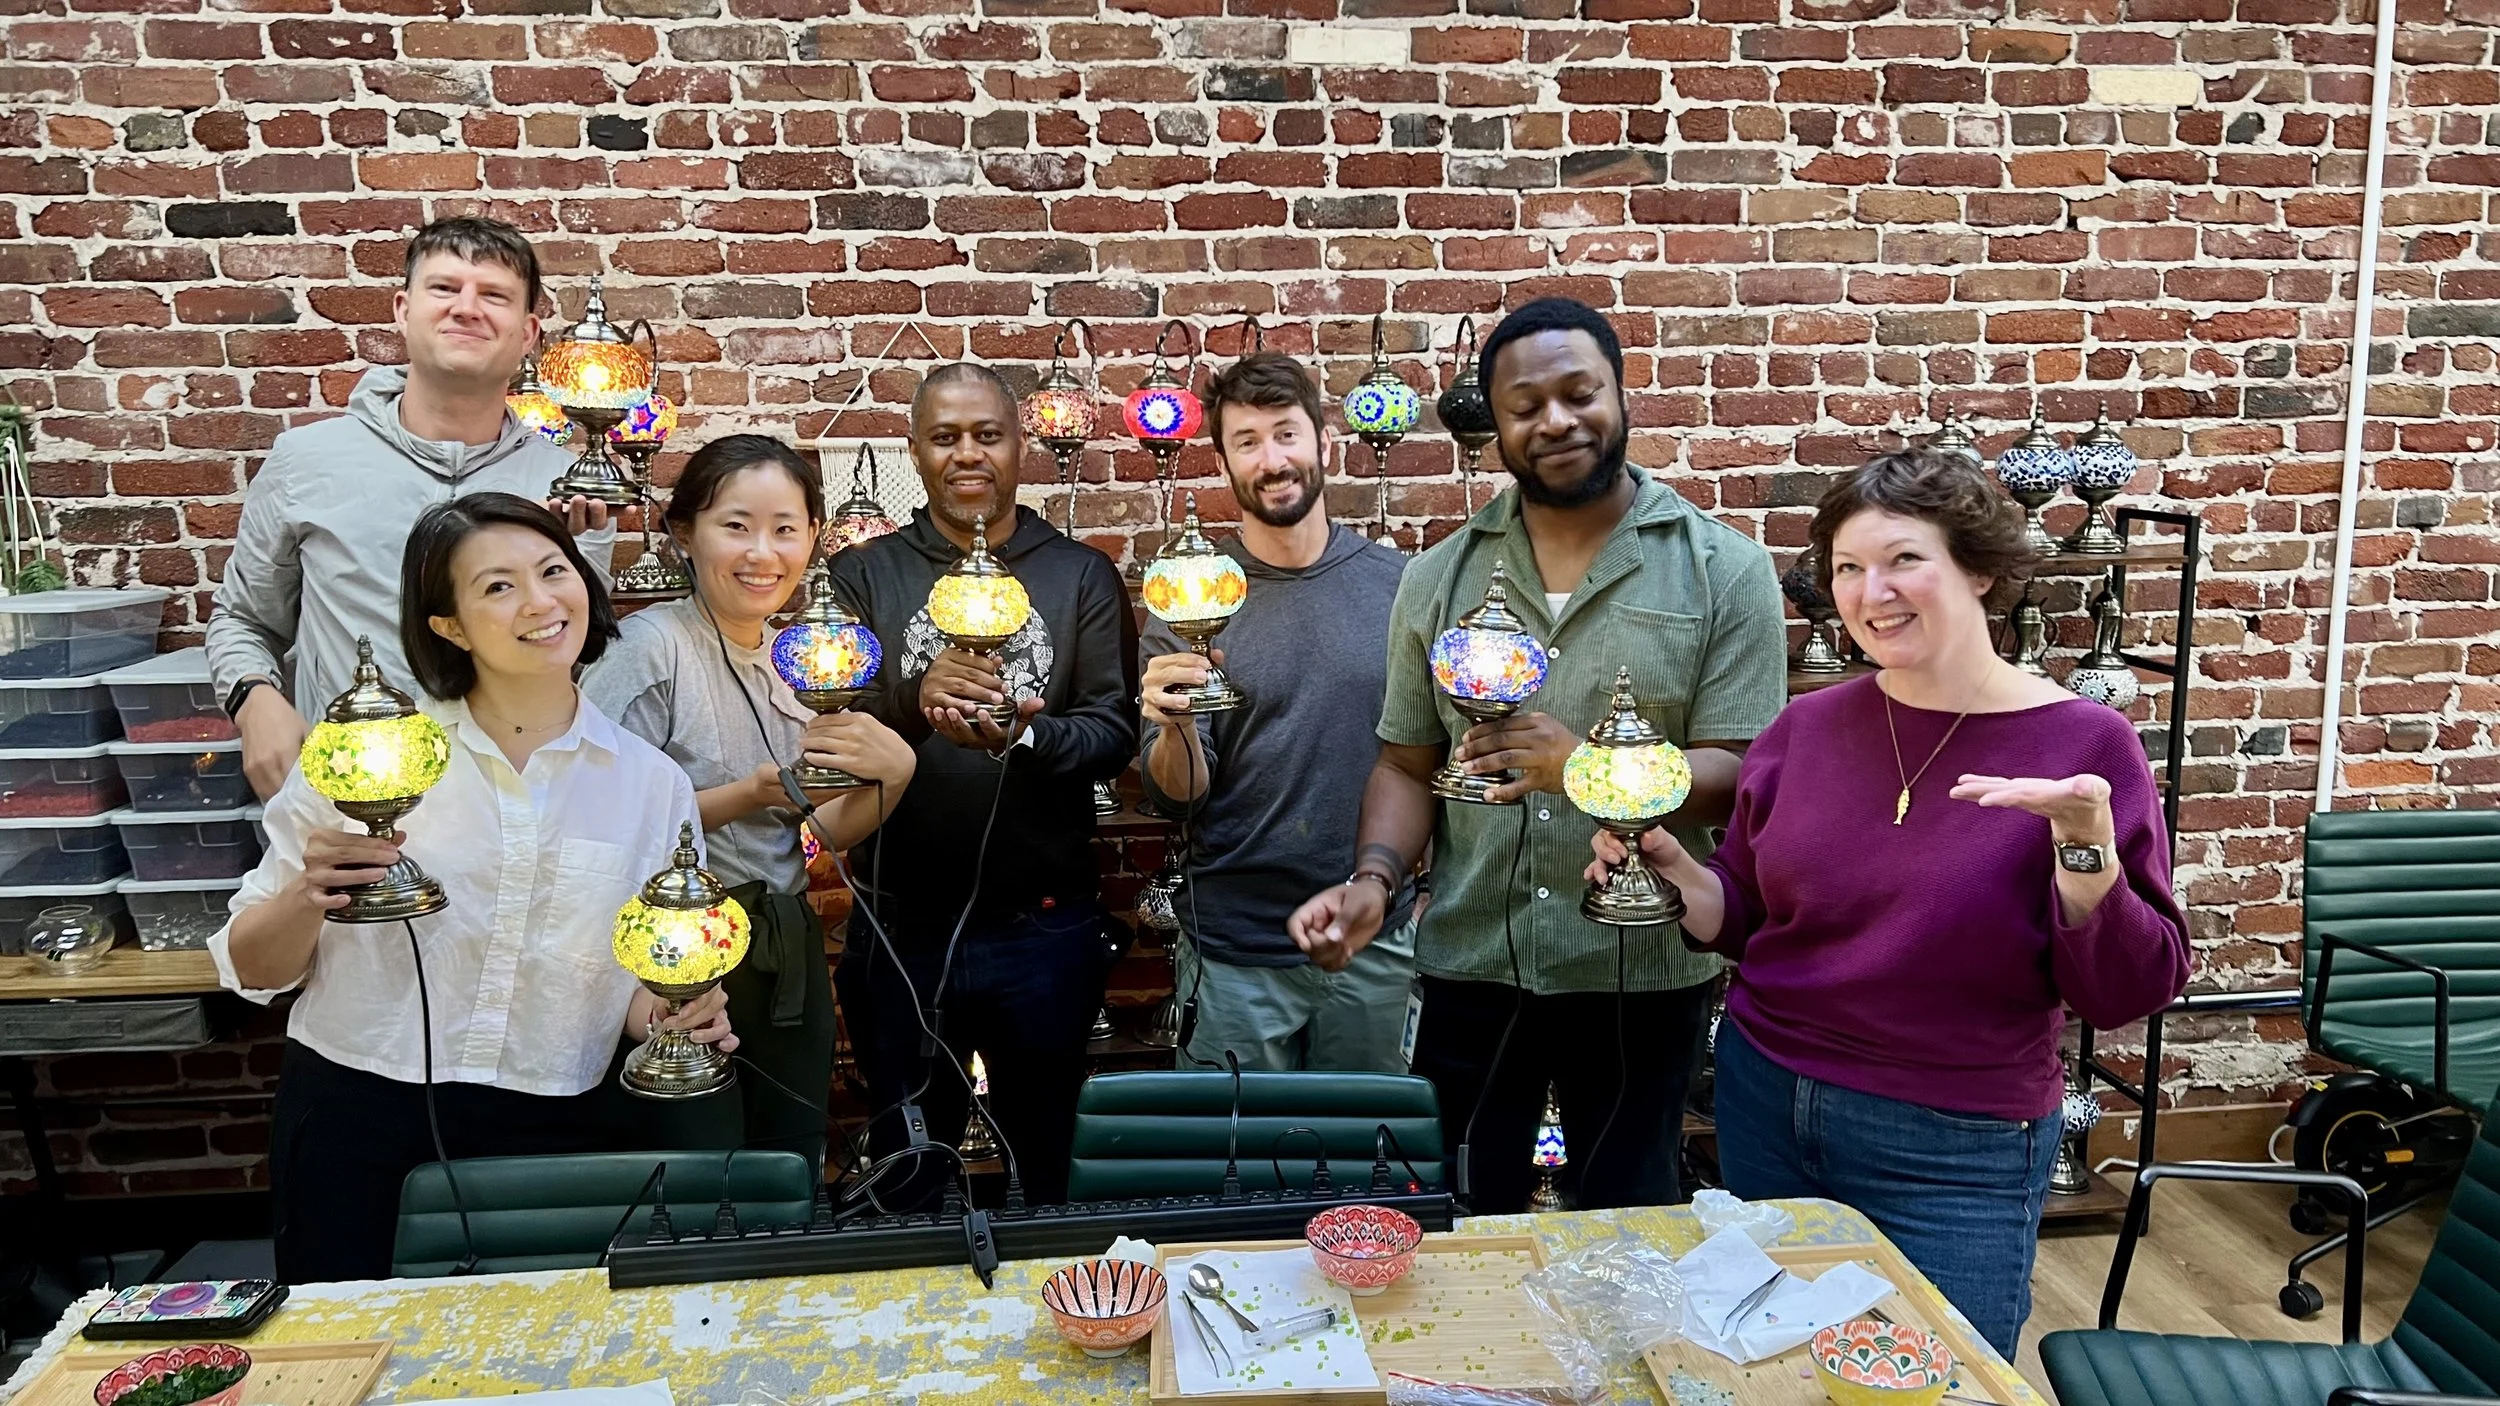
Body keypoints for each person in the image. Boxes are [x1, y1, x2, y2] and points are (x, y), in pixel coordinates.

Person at [1588, 446, 2190, 1353]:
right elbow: (1749, 916)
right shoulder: (1807, 728)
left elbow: (2130, 992)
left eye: (1905, 558)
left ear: (1981, 568)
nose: (1874, 592)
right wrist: (1681, 877)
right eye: (1848, 569)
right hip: (1767, 1101)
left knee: (1938, 1372)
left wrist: (2085, 854)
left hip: (1956, 1141)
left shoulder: (2085, 746)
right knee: (1774, 1363)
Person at [1285, 297, 1787, 1215]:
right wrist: (1372, 879)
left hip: (1639, 968)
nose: (1555, 420)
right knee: (1460, 1221)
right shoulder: (1438, 577)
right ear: (1497, 427)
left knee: (1627, 1222)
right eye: (1525, 406)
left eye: (1577, 392)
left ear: (1618, 394)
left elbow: (1741, 781)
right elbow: (1405, 763)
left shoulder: (1724, 569)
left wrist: (1589, 768)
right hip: (1474, 962)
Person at [209, 494, 732, 1285]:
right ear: (446, 624)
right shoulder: (365, 759)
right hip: (359, 1105)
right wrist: (308, 894)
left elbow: (621, 981)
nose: (541, 601)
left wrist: (670, 1012)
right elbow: (252, 965)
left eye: (554, 570)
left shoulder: (650, 785)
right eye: (497, 586)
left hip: (555, 1119)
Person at [824, 364, 1139, 1208]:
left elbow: (1113, 731)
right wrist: (917, 705)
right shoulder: (867, 577)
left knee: (1048, 1165)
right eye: (945, 437)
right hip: (900, 929)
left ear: (1020, 445)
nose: (968, 454)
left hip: (1044, 928)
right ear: (916, 451)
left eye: (987, 435)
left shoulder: (1078, 576)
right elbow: (838, 726)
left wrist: (1027, 732)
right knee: (908, 1171)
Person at [584, 435, 916, 1165]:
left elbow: (820, 827)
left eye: (785, 529)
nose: (762, 552)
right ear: (683, 534)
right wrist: (746, 795)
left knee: (788, 1152)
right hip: (674, 947)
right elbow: (594, 818)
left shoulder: (796, 656)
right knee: (698, 1160)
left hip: (782, 939)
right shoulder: (649, 649)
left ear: (813, 539)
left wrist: (894, 778)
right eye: (735, 525)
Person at [209, 215, 616, 802]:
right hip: (350, 796)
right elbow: (244, 619)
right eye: (445, 288)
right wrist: (254, 699)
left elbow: (572, 648)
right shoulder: (307, 461)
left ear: (528, 334)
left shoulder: (567, 483)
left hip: (517, 798)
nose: (467, 308)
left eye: (494, 296)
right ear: (404, 308)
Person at [1139, 352, 1414, 1072]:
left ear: (1326, 444)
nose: (1272, 459)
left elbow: (1427, 762)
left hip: (1376, 941)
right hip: (1233, 953)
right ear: (1225, 465)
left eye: (1286, 433)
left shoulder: (1402, 589)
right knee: (1237, 1178)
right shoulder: (1187, 598)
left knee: (1371, 1169)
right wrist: (1172, 724)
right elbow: (1177, 795)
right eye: (1247, 442)